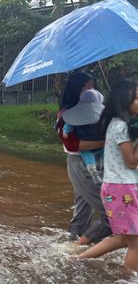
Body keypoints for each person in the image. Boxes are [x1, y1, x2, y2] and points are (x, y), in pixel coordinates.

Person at [78, 80, 138, 271]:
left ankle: (77, 259)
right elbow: (132, 161)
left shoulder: (119, 124)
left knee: (123, 238)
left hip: (120, 186)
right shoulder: (120, 126)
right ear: (123, 101)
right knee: (136, 244)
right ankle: (128, 279)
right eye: (137, 98)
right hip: (122, 188)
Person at [56, 72, 111, 245]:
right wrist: (108, 140)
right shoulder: (65, 115)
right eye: (85, 87)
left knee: (83, 207)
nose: (90, 91)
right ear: (74, 90)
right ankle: (81, 247)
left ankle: (74, 242)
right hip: (80, 165)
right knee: (112, 211)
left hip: (101, 162)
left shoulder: (101, 110)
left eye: (92, 87)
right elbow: (73, 145)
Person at [62, 88, 105, 183]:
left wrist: (65, 131)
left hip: (89, 144)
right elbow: (72, 145)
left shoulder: (73, 115)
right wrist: (65, 131)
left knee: (81, 197)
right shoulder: (102, 115)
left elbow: (69, 124)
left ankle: (98, 166)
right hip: (84, 150)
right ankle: (96, 170)